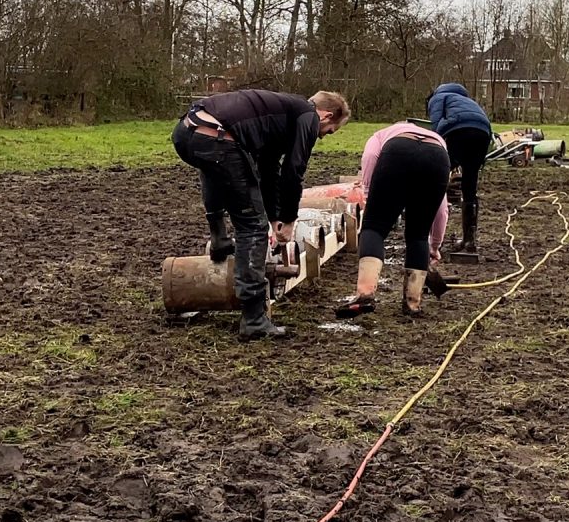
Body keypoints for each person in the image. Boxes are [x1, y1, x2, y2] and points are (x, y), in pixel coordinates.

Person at [172, 89, 351, 339]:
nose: (323, 137)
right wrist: (289, 219)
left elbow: (268, 170)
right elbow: (294, 170)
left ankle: (220, 239)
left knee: (214, 170)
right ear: (326, 115)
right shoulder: (307, 116)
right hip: (219, 136)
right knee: (253, 227)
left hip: (186, 132)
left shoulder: (278, 116)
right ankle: (254, 317)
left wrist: (275, 216)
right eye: (329, 131)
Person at [335, 122, 449, 319]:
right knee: (419, 235)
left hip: (397, 154)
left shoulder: (380, 135)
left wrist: (371, 196)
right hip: (437, 159)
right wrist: (435, 246)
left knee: (374, 228)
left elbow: (370, 157)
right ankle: (412, 304)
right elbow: (442, 209)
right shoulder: (439, 143)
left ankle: (365, 295)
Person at [427, 83, 493, 254]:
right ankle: (469, 241)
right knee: (469, 186)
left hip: (457, 132)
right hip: (482, 134)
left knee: (436, 182)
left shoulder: (438, 98)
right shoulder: (469, 101)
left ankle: (433, 241)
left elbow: (435, 126)